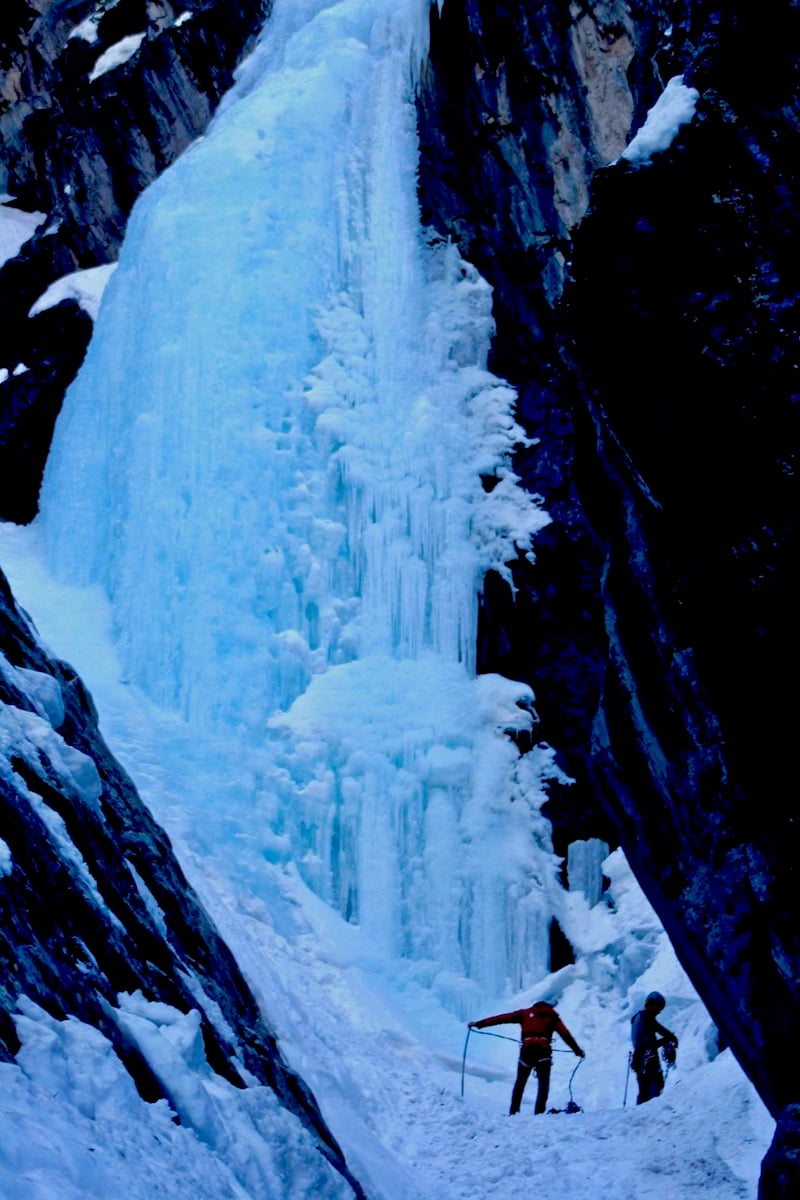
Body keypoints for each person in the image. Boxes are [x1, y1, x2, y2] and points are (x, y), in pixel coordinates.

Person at [469, 1000, 585, 1115]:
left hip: (527, 1051)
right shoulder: (552, 1016)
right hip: (543, 1052)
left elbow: (501, 1018)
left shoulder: (524, 1013)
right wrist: (578, 1051)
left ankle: (514, 1112)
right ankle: (539, 1112)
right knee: (543, 1084)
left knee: (520, 1083)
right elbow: (566, 1035)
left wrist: (479, 1024)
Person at [630, 991, 678, 1104]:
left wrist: (669, 1037)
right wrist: (669, 1038)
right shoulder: (646, 1017)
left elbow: (657, 1031)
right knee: (651, 1089)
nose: (659, 1011)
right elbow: (649, 1043)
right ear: (652, 1005)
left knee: (645, 1089)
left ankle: (640, 1112)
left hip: (640, 1059)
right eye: (658, 1008)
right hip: (646, 1059)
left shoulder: (641, 1017)